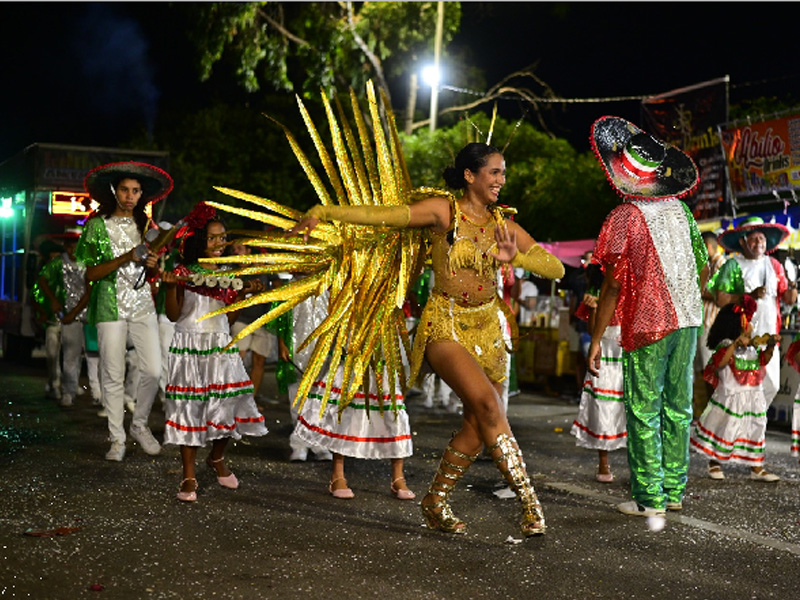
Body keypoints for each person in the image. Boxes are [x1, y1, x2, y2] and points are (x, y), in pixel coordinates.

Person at [292, 142, 565, 536]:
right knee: (490, 406)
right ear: (470, 176)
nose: (502, 181)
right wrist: (325, 212)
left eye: (504, 173)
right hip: (444, 325)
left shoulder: (503, 224)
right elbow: (385, 216)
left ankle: (435, 501)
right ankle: (530, 505)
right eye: (494, 172)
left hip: (488, 330)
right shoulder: (444, 211)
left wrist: (516, 258)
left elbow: (554, 267)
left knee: (477, 420)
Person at [587, 116, 708, 519]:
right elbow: (702, 268)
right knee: (678, 406)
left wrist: (596, 336)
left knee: (643, 407)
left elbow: (612, 287)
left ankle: (649, 497)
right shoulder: (683, 213)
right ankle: (673, 489)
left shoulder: (625, 217)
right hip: (689, 318)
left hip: (650, 322)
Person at [161, 203, 269, 502]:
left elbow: (229, 318)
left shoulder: (228, 275)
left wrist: (243, 296)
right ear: (198, 240)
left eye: (222, 238)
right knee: (190, 409)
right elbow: (173, 315)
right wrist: (171, 287)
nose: (219, 244)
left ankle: (217, 457)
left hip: (221, 346)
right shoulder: (183, 272)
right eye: (212, 238)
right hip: (190, 347)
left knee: (229, 403)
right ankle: (188, 475)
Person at [76, 161, 172, 461]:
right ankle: (117, 439)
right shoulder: (96, 225)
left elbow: (151, 272)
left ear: (142, 194)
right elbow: (89, 274)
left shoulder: (147, 228)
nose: (130, 196)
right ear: (114, 191)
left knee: (154, 370)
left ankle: (139, 425)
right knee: (113, 373)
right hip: (108, 304)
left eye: (136, 191)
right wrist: (126, 257)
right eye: (125, 190)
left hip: (143, 304)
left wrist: (153, 267)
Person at [690, 297, 781, 481]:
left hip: (753, 398)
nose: (752, 328)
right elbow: (720, 363)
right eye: (747, 323)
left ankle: (756, 467)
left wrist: (770, 346)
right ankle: (715, 462)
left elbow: (764, 360)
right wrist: (734, 345)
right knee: (725, 429)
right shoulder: (726, 346)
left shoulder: (752, 348)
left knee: (756, 428)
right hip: (730, 399)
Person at [709, 217, 796, 405]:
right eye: (754, 239)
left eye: (762, 239)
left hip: (769, 337)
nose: (759, 243)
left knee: (771, 385)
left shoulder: (775, 266)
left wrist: (793, 281)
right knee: (741, 387)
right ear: (742, 241)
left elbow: (789, 298)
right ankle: (743, 429)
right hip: (741, 338)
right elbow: (720, 299)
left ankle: (754, 425)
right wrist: (748, 296)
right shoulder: (733, 265)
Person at [570, 261, 626, 482]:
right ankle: (604, 462)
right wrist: (594, 309)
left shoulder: (630, 288)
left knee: (630, 408)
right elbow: (593, 331)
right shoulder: (594, 292)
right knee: (602, 406)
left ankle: (640, 466)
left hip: (624, 354)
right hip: (603, 354)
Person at [272, 277, 333, 462]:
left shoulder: (326, 286)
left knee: (320, 398)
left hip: (321, 351)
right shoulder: (288, 288)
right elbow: (279, 319)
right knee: (297, 397)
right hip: (295, 348)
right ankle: (299, 445)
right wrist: (282, 345)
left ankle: (320, 443)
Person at [227, 238, 276, 402]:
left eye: (240, 248)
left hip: (262, 320)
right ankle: (233, 398)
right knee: (237, 358)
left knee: (259, 360)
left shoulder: (262, 268)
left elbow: (275, 285)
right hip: (241, 319)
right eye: (234, 249)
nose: (236, 252)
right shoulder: (232, 272)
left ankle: (251, 401)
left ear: (249, 252)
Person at [693, 231, 726, 417]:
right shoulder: (707, 265)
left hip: (710, 324)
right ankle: (703, 413)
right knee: (700, 370)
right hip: (701, 322)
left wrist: (698, 290)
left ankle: (713, 415)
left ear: (708, 245)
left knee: (709, 370)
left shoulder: (721, 265)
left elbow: (721, 297)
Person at [32, 239, 67, 401]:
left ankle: (63, 384)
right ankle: (55, 383)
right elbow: (36, 295)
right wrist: (41, 313)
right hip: (53, 321)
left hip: (69, 319)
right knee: (52, 353)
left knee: (69, 354)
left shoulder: (68, 269)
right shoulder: (45, 272)